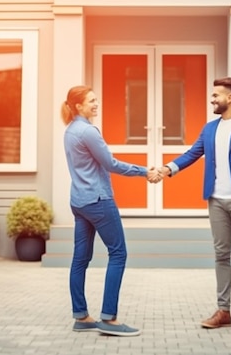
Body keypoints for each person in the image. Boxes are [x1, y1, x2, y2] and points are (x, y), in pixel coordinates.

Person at [159, 77, 231, 335]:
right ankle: (223, 311)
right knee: (221, 254)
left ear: (230, 97)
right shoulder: (210, 129)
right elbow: (192, 154)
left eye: (216, 95)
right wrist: (167, 168)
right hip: (216, 200)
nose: (212, 100)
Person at [61, 85, 161, 337]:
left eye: (96, 99)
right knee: (119, 253)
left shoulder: (70, 131)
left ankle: (81, 316)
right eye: (91, 101)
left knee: (80, 259)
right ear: (78, 106)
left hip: (79, 202)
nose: (96, 104)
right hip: (98, 200)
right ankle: (109, 318)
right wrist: (144, 172)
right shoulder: (87, 131)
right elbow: (111, 164)